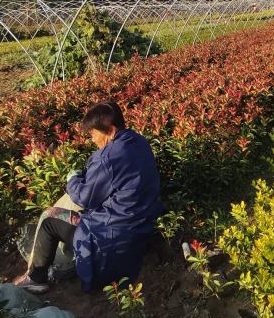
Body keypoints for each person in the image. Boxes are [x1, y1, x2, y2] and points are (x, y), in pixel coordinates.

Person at [13, 101, 164, 294]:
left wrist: (72, 179)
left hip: (114, 234)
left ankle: (35, 278)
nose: (92, 140)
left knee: (49, 219)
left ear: (110, 129)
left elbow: (84, 198)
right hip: (141, 223)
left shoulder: (108, 157)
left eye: (93, 133)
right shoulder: (139, 141)